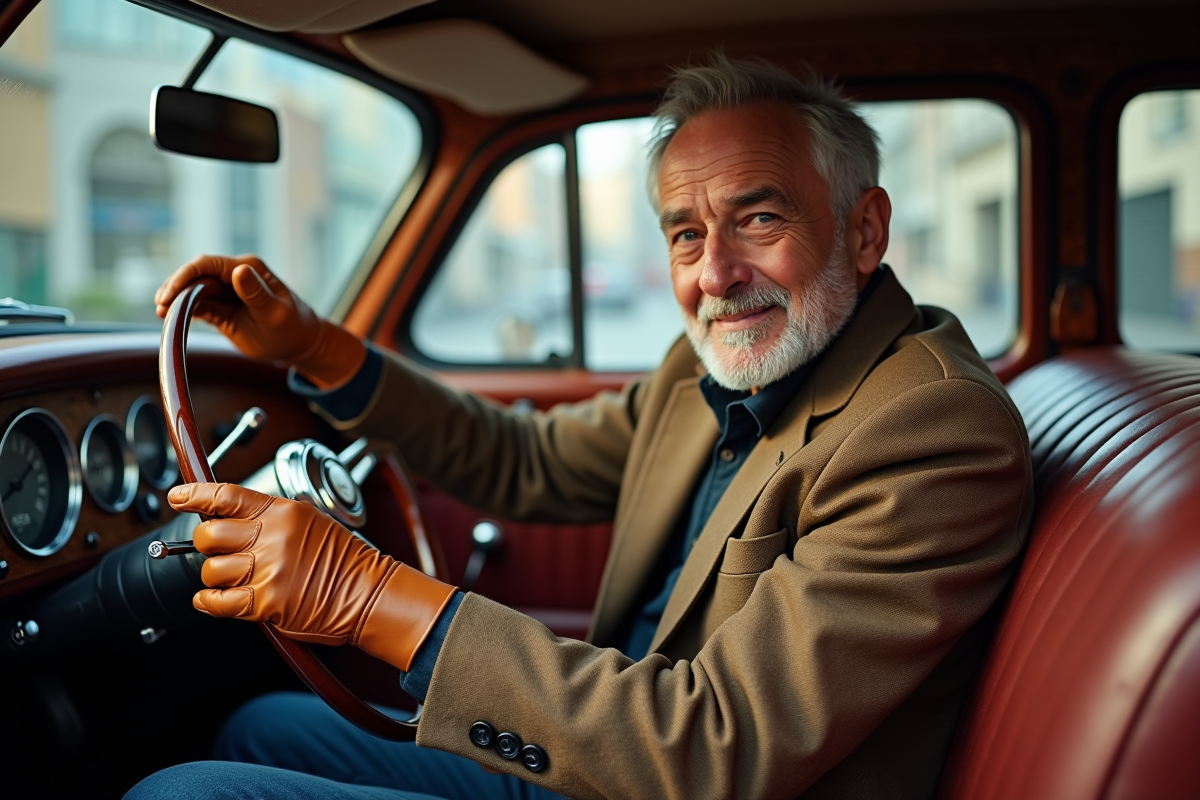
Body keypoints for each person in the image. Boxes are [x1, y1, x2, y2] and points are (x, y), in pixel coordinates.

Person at [127, 56, 1032, 800]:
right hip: (606, 752)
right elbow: (526, 461)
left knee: (185, 795)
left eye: (759, 218)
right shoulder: (716, 362)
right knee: (262, 725)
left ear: (864, 230)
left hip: (671, 768)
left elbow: (713, 749)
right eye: (686, 235)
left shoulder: (929, 429)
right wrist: (322, 351)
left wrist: (363, 597)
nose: (715, 275)